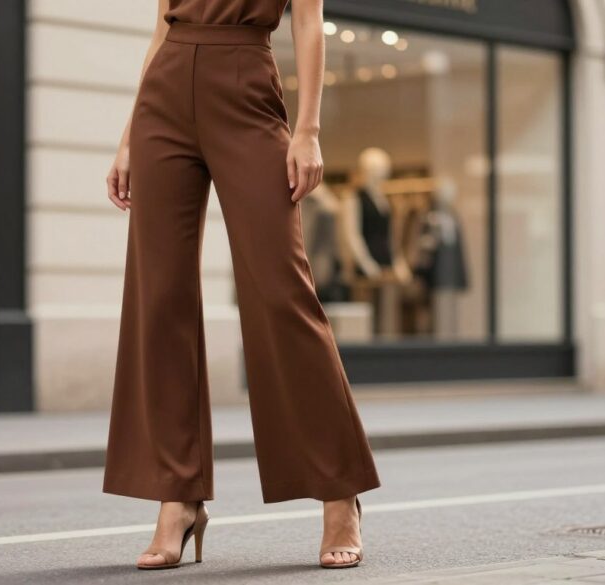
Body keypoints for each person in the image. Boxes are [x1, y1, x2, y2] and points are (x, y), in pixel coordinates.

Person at [103, 0, 382, 570]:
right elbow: (162, 27)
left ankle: (339, 490)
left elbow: (307, 19)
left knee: (280, 291)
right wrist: (130, 134)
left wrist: (308, 130)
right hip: (164, 96)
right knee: (160, 298)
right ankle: (178, 497)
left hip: (246, 85)